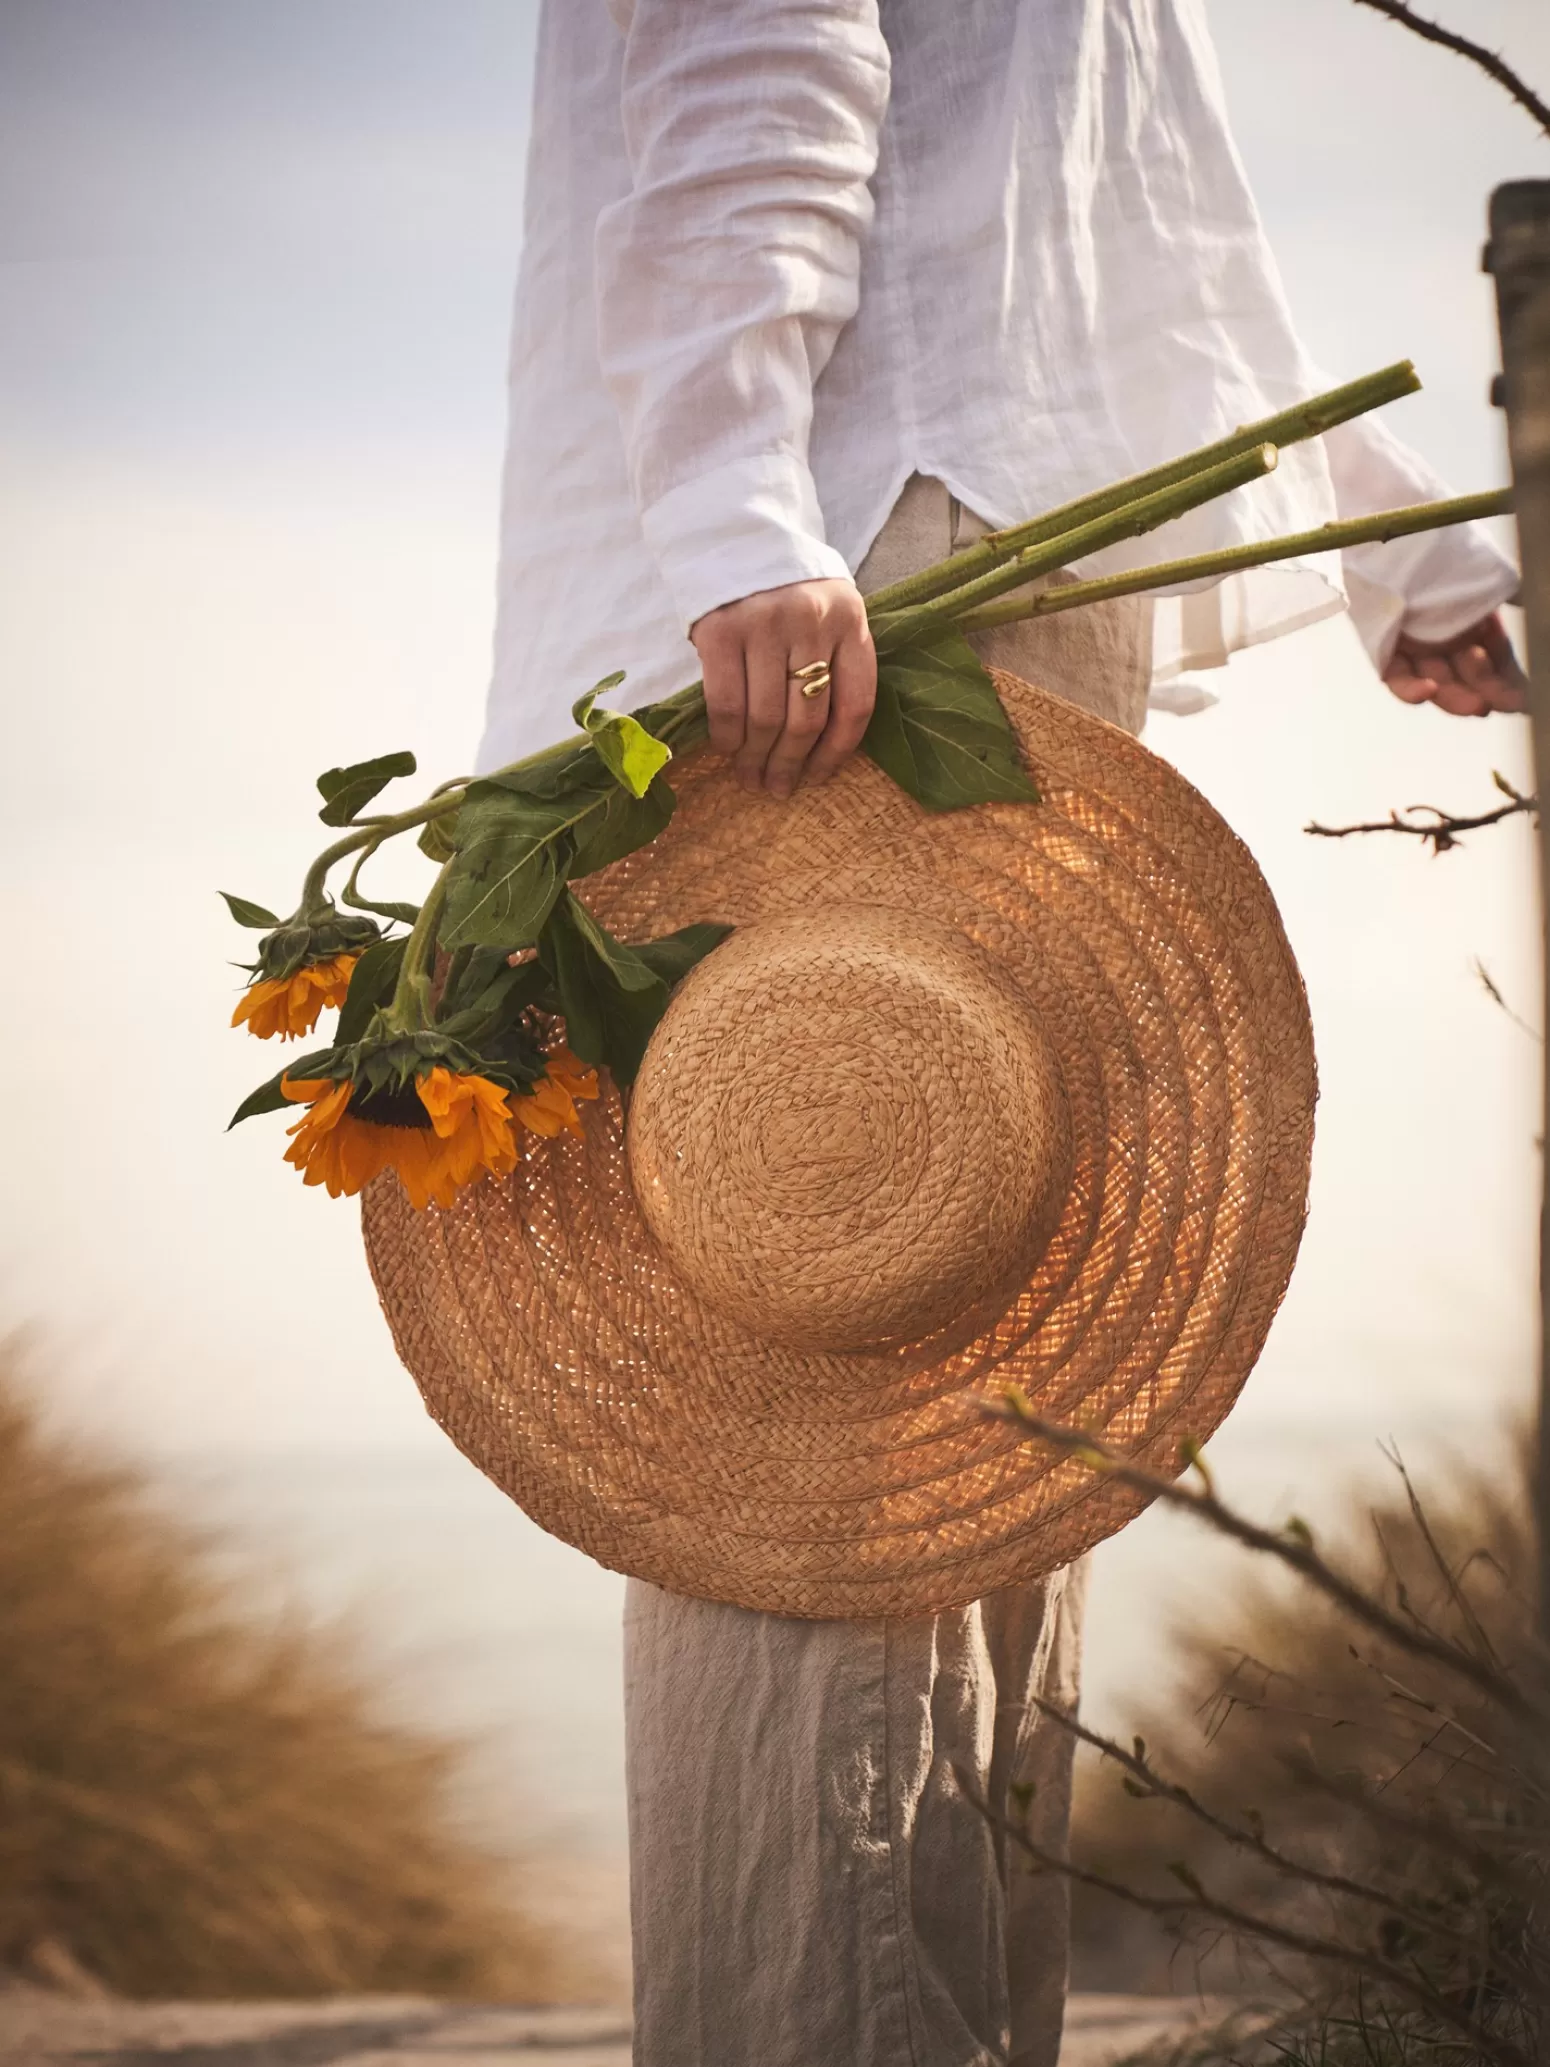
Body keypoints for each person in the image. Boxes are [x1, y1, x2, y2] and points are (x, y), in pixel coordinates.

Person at [477, 5, 1524, 2062]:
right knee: (826, 1428)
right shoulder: (795, 506)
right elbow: (756, 48)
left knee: (988, 1412)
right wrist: (736, 508)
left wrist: (1384, 526)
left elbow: (1103, 211)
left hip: (946, 518)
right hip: (867, 541)